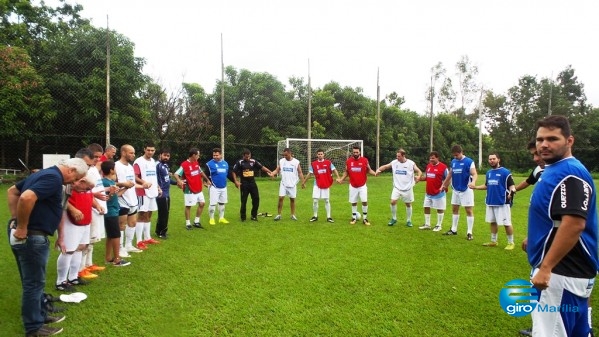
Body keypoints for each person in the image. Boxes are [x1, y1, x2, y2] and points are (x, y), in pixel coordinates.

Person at [526, 115, 597, 337]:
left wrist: (546, 267)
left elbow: (574, 224)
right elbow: (556, 217)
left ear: (569, 141)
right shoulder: (554, 170)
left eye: (552, 138)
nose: (544, 144)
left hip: (561, 274)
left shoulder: (569, 173)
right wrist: (535, 240)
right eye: (540, 139)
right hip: (568, 273)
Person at [7, 157, 87, 337]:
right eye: (75, 179)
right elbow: (26, 197)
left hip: (31, 235)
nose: (73, 183)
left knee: (34, 282)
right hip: (32, 236)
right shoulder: (53, 178)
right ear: (71, 170)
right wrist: (21, 226)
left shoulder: (45, 173)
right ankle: (34, 328)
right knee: (33, 284)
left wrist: (14, 219)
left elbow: (12, 191)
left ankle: (40, 315)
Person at [55, 171, 102, 291]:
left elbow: (90, 196)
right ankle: (61, 282)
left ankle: (73, 277)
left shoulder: (86, 184)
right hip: (70, 220)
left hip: (85, 219)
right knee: (68, 250)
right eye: (85, 188)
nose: (86, 190)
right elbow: (61, 201)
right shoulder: (67, 185)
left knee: (81, 247)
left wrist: (96, 205)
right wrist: (73, 209)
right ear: (81, 182)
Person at [471, 152, 516, 250]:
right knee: (492, 222)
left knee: (506, 223)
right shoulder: (489, 173)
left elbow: (512, 186)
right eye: (490, 159)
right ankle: (493, 241)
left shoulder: (505, 172)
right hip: (490, 201)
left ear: (498, 159)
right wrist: (476, 187)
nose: (491, 160)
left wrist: (511, 193)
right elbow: (487, 185)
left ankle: (511, 242)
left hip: (502, 202)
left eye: (493, 159)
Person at [375, 149, 422, 227]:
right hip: (397, 187)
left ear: (403, 156)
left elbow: (418, 170)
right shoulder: (394, 162)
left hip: (407, 188)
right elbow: (386, 166)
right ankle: (394, 218)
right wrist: (379, 169)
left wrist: (419, 176)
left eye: (399, 156)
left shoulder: (411, 163)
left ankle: (409, 220)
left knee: (408, 204)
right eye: (396, 156)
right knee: (393, 202)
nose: (397, 158)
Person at [440, 144, 478, 240]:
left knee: (468, 210)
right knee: (454, 209)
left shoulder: (469, 161)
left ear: (461, 152)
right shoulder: (453, 161)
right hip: (456, 189)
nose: (455, 157)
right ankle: (453, 229)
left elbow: (474, 173)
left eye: (457, 155)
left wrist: (473, 182)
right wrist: (444, 185)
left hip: (466, 189)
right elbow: (450, 174)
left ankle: (469, 232)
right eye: (454, 155)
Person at [336, 146, 377, 225]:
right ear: (352, 152)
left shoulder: (364, 160)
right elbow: (346, 172)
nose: (355, 153)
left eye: (357, 152)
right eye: (354, 152)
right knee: (353, 202)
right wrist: (341, 179)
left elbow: (369, 170)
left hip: (362, 185)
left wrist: (375, 173)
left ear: (359, 152)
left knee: (364, 201)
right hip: (353, 185)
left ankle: (365, 219)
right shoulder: (348, 161)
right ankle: (354, 218)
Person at [101, 160, 130, 266]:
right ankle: (117, 259)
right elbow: (104, 199)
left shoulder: (111, 182)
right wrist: (112, 193)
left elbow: (116, 195)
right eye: (115, 168)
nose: (116, 170)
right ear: (111, 170)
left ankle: (108, 257)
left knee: (110, 235)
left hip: (114, 210)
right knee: (116, 235)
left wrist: (125, 188)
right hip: (110, 212)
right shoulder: (104, 183)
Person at [231, 149, 274, 222]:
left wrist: (270, 172)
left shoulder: (253, 161)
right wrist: (236, 181)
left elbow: (262, 167)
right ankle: (243, 217)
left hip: (252, 183)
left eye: (249, 156)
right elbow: (233, 172)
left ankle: (254, 216)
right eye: (246, 157)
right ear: (243, 156)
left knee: (256, 199)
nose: (247, 158)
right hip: (244, 184)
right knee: (244, 201)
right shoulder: (240, 162)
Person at [115, 144, 142, 255]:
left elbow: (133, 183)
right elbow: (110, 182)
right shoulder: (116, 166)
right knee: (121, 225)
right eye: (131, 152)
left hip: (132, 199)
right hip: (121, 199)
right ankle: (120, 248)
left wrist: (143, 186)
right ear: (123, 153)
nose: (133, 155)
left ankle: (128, 245)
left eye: (134, 153)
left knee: (133, 223)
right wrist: (123, 184)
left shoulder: (130, 167)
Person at [175, 148, 212, 230]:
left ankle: (196, 221)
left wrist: (207, 180)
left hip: (198, 187)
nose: (199, 156)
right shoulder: (184, 164)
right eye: (198, 155)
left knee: (202, 203)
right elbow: (176, 174)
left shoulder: (196, 162)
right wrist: (179, 181)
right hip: (189, 188)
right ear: (194, 155)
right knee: (188, 206)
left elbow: (200, 172)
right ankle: (188, 223)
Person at [133, 143, 161, 249]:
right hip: (142, 192)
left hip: (152, 191)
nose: (150, 152)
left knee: (149, 214)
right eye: (148, 150)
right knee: (142, 215)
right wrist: (144, 182)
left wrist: (158, 187)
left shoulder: (153, 161)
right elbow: (134, 176)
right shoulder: (138, 161)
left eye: (152, 150)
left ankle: (147, 237)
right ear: (144, 149)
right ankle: (139, 241)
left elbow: (153, 176)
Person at [301, 149, 341, 223]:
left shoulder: (328, 163)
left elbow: (334, 169)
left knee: (326, 200)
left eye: (321, 154)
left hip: (325, 184)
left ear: (323, 155)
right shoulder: (314, 164)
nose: (320, 155)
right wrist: (303, 182)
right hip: (317, 184)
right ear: (317, 155)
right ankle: (315, 216)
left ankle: (329, 217)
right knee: (315, 200)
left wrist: (338, 177)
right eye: (319, 154)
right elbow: (309, 174)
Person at [271, 148, 305, 221]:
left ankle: (292, 215)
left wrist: (303, 182)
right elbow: (277, 170)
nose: (285, 156)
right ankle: (279, 215)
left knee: (292, 199)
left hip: (292, 184)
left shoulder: (296, 162)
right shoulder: (282, 161)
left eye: (286, 155)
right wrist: (272, 173)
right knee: (281, 198)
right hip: (283, 183)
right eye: (284, 155)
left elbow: (300, 172)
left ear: (290, 153)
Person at [418, 151, 448, 232]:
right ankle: (427, 224)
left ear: (437, 158)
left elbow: (448, 179)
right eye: (430, 158)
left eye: (433, 158)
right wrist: (419, 178)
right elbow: (427, 177)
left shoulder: (443, 167)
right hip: (428, 192)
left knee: (439, 208)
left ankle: (439, 225)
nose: (431, 159)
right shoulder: (428, 166)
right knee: (426, 207)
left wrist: (444, 187)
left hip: (439, 192)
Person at [206, 148, 233, 225]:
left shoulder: (225, 163)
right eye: (214, 155)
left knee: (222, 203)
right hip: (213, 186)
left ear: (221, 155)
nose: (215, 157)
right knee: (212, 203)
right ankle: (211, 219)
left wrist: (235, 182)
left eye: (217, 155)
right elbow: (205, 174)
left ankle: (221, 218)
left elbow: (228, 175)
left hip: (223, 187)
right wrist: (206, 181)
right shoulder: (209, 164)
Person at [155, 148, 176, 238]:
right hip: (161, 193)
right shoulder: (157, 165)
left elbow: (167, 179)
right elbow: (153, 178)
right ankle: (162, 232)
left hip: (166, 193)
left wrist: (176, 183)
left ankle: (159, 230)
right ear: (160, 155)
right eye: (164, 155)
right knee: (164, 213)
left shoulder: (165, 165)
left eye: (168, 156)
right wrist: (158, 188)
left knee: (164, 212)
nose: (166, 157)